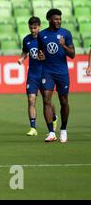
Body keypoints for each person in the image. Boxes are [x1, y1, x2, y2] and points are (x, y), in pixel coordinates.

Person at [38, 9, 75, 143]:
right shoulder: (42, 35)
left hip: (62, 72)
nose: (58, 21)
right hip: (47, 71)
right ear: (49, 20)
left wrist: (63, 45)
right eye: (55, 19)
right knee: (46, 100)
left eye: (59, 19)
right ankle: (51, 132)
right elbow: (40, 53)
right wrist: (40, 55)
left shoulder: (66, 33)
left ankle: (63, 129)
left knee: (63, 101)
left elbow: (72, 55)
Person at [18, 16, 57, 136]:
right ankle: (33, 128)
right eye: (31, 28)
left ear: (39, 26)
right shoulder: (26, 39)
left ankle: (54, 117)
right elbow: (25, 51)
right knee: (31, 100)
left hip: (45, 73)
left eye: (35, 28)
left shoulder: (45, 38)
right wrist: (22, 58)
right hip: (33, 74)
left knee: (47, 101)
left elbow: (52, 53)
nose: (33, 30)